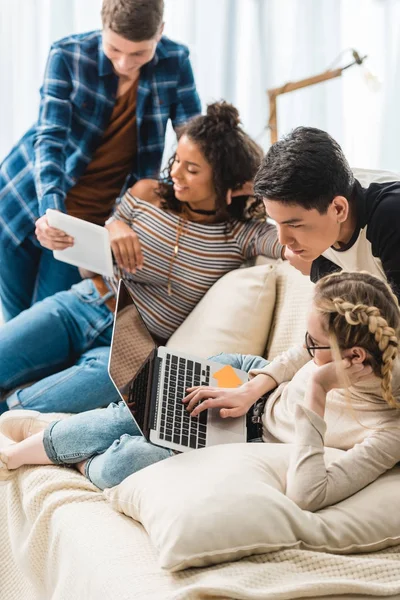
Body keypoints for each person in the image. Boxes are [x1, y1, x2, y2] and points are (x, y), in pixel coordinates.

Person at [1, 270, 399, 508]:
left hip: (249, 435)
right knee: (130, 411)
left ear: (357, 359)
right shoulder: (353, 346)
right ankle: (15, 455)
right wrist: (249, 390)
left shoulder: (388, 431)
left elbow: (310, 494)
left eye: (316, 346)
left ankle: (75, 460)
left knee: (126, 461)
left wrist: (315, 390)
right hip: (241, 379)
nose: (306, 350)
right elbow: (299, 351)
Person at [0, 101, 283, 415]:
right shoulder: (147, 193)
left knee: (28, 407)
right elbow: (87, 262)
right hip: (82, 304)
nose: (175, 172)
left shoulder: (241, 235)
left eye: (192, 169)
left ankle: (9, 415)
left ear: (225, 179)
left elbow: (291, 240)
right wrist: (113, 226)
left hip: (131, 345)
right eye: (177, 160)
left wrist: (257, 188)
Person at [0, 0, 201, 322]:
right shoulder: (68, 55)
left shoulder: (175, 61)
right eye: (114, 49)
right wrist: (50, 212)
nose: (124, 63)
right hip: (22, 198)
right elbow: (50, 139)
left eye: (138, 54)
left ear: (160, 32)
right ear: (102, 27)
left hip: (85, 222)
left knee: (44, 325)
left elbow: (194, 140)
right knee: (15, 328)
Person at [253, 126, 400, 300]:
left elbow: (382, 318)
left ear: (339, 209)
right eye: (277, 222)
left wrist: (319, 271)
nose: (284, 241)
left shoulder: (391, 218)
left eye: (294, 225)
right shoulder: (326, 196)